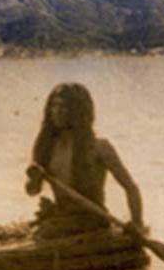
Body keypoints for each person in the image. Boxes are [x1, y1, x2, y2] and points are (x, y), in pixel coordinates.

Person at [24, 83, 146, 239]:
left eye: (64, 107)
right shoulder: (46, 147)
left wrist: (137, 223)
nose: (57, 111)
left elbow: (130, 187)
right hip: (61, 217)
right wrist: (34, 179)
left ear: (78, 112)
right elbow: (32, 191)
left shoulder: (99, 147)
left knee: (46, 233)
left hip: (92, 220)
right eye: (54, 106)